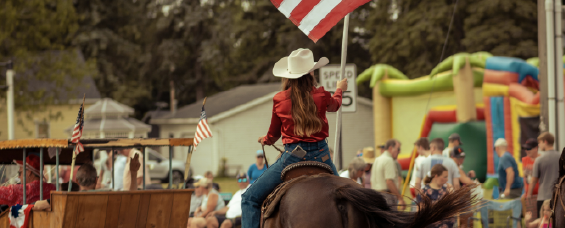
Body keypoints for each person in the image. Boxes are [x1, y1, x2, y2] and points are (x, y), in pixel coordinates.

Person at [242, 48, 345, 228]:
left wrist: (265, 140)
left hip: (292, 158)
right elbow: (335, 106)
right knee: (348, 195)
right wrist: (339, 90)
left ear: (289, 75)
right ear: (311, 73)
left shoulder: (280, 99)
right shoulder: (321, 94)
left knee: (249, 198)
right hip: (322, 155)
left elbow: (273, 135)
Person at [34, 155, 141, 211]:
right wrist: (133, 174)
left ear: (76, 181)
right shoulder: (108, 198)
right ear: (96, 180)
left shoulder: (65, 199)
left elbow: (38, 205)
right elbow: (132, 200)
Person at [527, 132, 560, 213]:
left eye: (539, 142)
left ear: (545, 142)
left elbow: (534, 180)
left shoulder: (539, 159)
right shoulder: (560, 156)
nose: (539, 145)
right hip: (559, 197)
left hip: (543, 197)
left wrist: (528, 195)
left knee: (544, 222)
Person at [371, 139, 405, 210]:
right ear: (390, 148)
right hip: (387, 197)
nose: (399, 151)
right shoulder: (389, 160)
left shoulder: (377, 159)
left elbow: (372, 181)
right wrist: (400, 199)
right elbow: (389, 182)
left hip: (376, 196)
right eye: (398, 149)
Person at [521, 138, 540, 215]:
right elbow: (525, 178)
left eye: (529, 148)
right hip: (528, 195)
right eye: (525, 148)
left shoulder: (541, 159)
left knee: (542, 218)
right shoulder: (524, 160)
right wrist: (527, 192)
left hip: (540, 195)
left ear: (536, 148)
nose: (527, 150)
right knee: (529, 219)